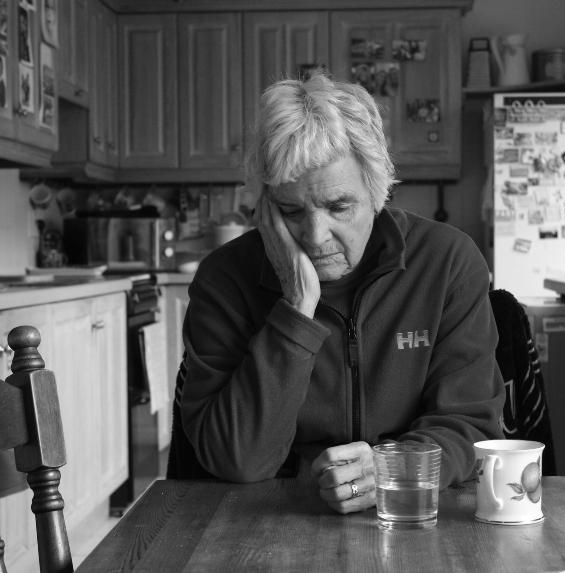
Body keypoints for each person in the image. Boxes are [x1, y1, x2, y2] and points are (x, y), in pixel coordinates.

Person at [178, 70, 504, 514]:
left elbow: (471, 424)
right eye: (291, 210)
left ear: (376, 193)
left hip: (410, 508)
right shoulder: (224, 279)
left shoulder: (447, 263)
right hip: (268, 515)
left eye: (338, 206)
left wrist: (395, 467)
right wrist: (296, 308)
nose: (315, 236)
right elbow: (237, 458)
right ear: (266, 207)